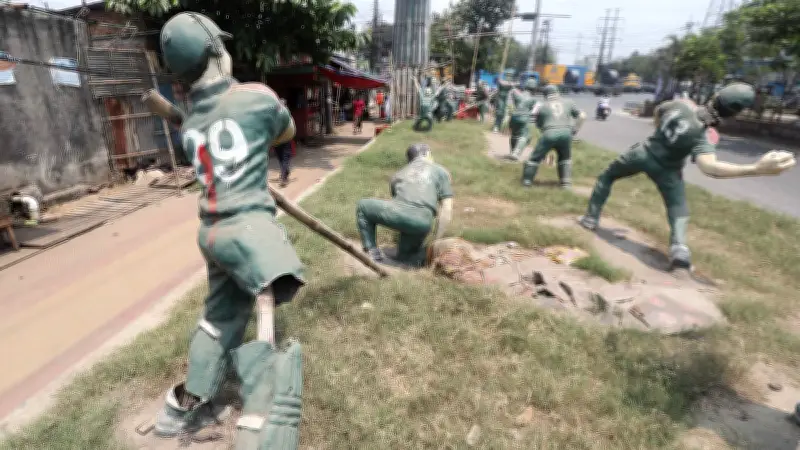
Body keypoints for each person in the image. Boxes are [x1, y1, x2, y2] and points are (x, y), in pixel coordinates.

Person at [151, 12, 305, 447]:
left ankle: (178, 409)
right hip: (250, 228)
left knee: (218, 319)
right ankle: (263, 426)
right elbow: (285, 132)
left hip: (212, 233)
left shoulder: (191, 126)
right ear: (218, 52)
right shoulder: (256, 96)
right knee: (267, 311)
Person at [578, 82, 796, 270]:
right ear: (734, 113)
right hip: (668, 168)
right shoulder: (706, 135)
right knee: (678, 209)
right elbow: (710, 168)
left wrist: (660, 131)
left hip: (643, 151)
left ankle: (590, 218)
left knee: (606, 177)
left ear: (716, 95)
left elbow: (659, 111)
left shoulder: (682, 104)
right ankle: (679, 248)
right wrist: (755, 168)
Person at [355, 143, 454, 267]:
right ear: (427, 154)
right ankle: (418, 256)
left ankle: (371, 250)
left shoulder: (399, 173)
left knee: (363, 206)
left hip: (401, 216)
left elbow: (397, 201)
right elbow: (447, 209)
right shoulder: (441, 171)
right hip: (423, 223)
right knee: (405, 257)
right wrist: (436, 241)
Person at [522, 84, 586, 188]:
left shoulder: (542, 106)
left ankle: (527, 182)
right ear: (557, 92)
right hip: (566, 133)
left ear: (545, 94)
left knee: (535, 158)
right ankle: (566, 183)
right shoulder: (569, 102)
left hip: (549, 132)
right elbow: (582, 116)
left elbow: (538, 124)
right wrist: (574, 130)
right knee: (565, 157)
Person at [503, 77, 539, 160]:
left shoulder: (517, 94)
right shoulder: (533, 99)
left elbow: (513, 92)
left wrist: (513, 86)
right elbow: (533, 110)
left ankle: (512, 152)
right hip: (524, 118)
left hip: (514, 117)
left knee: (514, 134)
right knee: (525, 136)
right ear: (534, 88)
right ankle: (516, 153)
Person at [273, 98, 295, 187]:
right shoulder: (286, 113)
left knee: (281, 158)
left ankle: (285, 173)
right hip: (285, 139)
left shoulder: (273, 115)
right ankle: (283, 177)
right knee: (285, 158)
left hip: (276, 141)